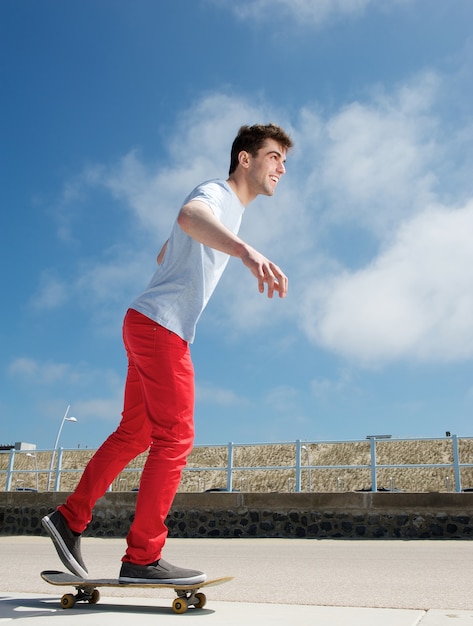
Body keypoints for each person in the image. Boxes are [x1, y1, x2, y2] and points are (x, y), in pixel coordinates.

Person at [42, 123, 294, 584]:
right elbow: (188, 218)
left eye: (284, 161)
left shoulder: (229, 211)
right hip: (161, 328)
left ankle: (69, 518)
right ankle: (142, 556)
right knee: (175, 437)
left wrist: (195, 251)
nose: (282, 167)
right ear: (245, 158)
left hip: (144, 320)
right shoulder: (217, 192)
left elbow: (166, 251)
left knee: (135, 432)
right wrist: (245, 253)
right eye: (275, 156)